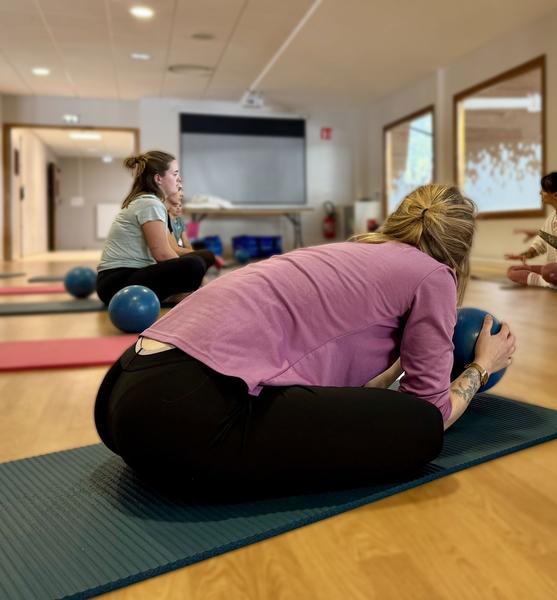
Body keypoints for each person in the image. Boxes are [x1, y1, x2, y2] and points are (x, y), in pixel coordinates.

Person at [94, 184, 517, 495]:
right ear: (459, 252)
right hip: (176, 418)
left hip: (122, 390)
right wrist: (482, 366)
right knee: (420, 431)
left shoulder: (342, 253)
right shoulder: (433, 274)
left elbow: (344, 391)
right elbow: (431, 410)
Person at [95, 151, 216, 305]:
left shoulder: (152, 203)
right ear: (158, 178)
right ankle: (181, 295)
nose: (179, 179)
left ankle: (177, 295)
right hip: (116, 284)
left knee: (202, 257)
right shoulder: (150, 203)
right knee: (194, 265)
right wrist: (200, 281)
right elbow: (163, 255)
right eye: (174, 174)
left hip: (127, 277)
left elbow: (167, 252)